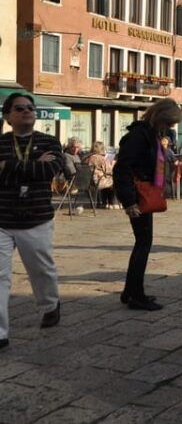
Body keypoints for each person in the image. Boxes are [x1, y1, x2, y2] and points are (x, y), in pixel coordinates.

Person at [0, 93, 64, 350]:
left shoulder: (50, 141)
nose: (27, 111)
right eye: (19, 108)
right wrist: (31, 166)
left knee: (41, 270)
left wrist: (7, 166)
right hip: (2, 219)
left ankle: (50, 304)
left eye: (30, 107)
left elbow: (50, 170)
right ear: (8, 116)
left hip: (36, 219)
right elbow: (38, 170)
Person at [113, 98, 182, 311]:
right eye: (169, 123)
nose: (171, 127)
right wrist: (129, 201)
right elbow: (121, 169)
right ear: (160, 118)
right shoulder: (138, 137)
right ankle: (135, 295)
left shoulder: (150, 134)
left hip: (144, 193)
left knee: (143, 242)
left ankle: (131, 291)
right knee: (143, 244)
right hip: (137, 195)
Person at [85, 141, 118, 209]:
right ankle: (113, 203)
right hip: (98, 181)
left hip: (89, 182)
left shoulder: (87, 157)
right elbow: (109, 170)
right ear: (102, 149)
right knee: (116, 181)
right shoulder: (100, 158)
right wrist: (113, 161)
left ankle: (104, 202)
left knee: (107, 179)